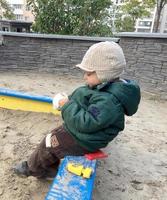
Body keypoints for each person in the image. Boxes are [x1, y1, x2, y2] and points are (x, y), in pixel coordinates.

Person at [13, 41, 141, 179]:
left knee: (50, 142)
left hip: (86, 140)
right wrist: (70, 100)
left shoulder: (109, 101)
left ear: (104, 74)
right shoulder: (105, 86)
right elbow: (87, 102)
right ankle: (49, 168)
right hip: (85, 135)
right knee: (53, 136)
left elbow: (86, 123)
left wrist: (67, 105)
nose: (84, 76)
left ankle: (33, 169)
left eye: (88, 73)